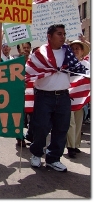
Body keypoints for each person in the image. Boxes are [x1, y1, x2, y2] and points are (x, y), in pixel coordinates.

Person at [26, 24, 87, 172]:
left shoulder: (68, 53)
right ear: (49, 36)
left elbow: (78, 69)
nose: (63, 37)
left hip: (63, 96)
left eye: (64, 34)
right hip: (44, 97)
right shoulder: (40, 54)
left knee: (61, 128)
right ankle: (36, 154)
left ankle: (54, 158)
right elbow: (29, 72)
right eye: (59, 34)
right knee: (40, 127)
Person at [66, 39, 90, 158]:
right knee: (71, 123)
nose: (75, 50)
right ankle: (70, 147)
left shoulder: (86, 65)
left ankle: (75, 145)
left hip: (81, 99)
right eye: (73, 48)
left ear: (82, 52)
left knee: (79, 122)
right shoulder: (67, 64)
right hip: (68, 97)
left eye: (78, 48)